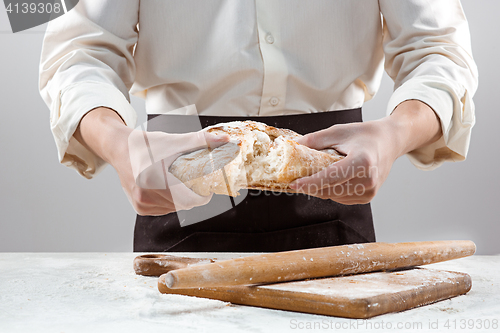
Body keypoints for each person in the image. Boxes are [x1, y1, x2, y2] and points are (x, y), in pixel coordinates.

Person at [39, 0, 478, 252]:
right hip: (184, 174)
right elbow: (79, 51)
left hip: (328, 171)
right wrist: (119, 143)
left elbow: (437, 47)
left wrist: (395, 133)